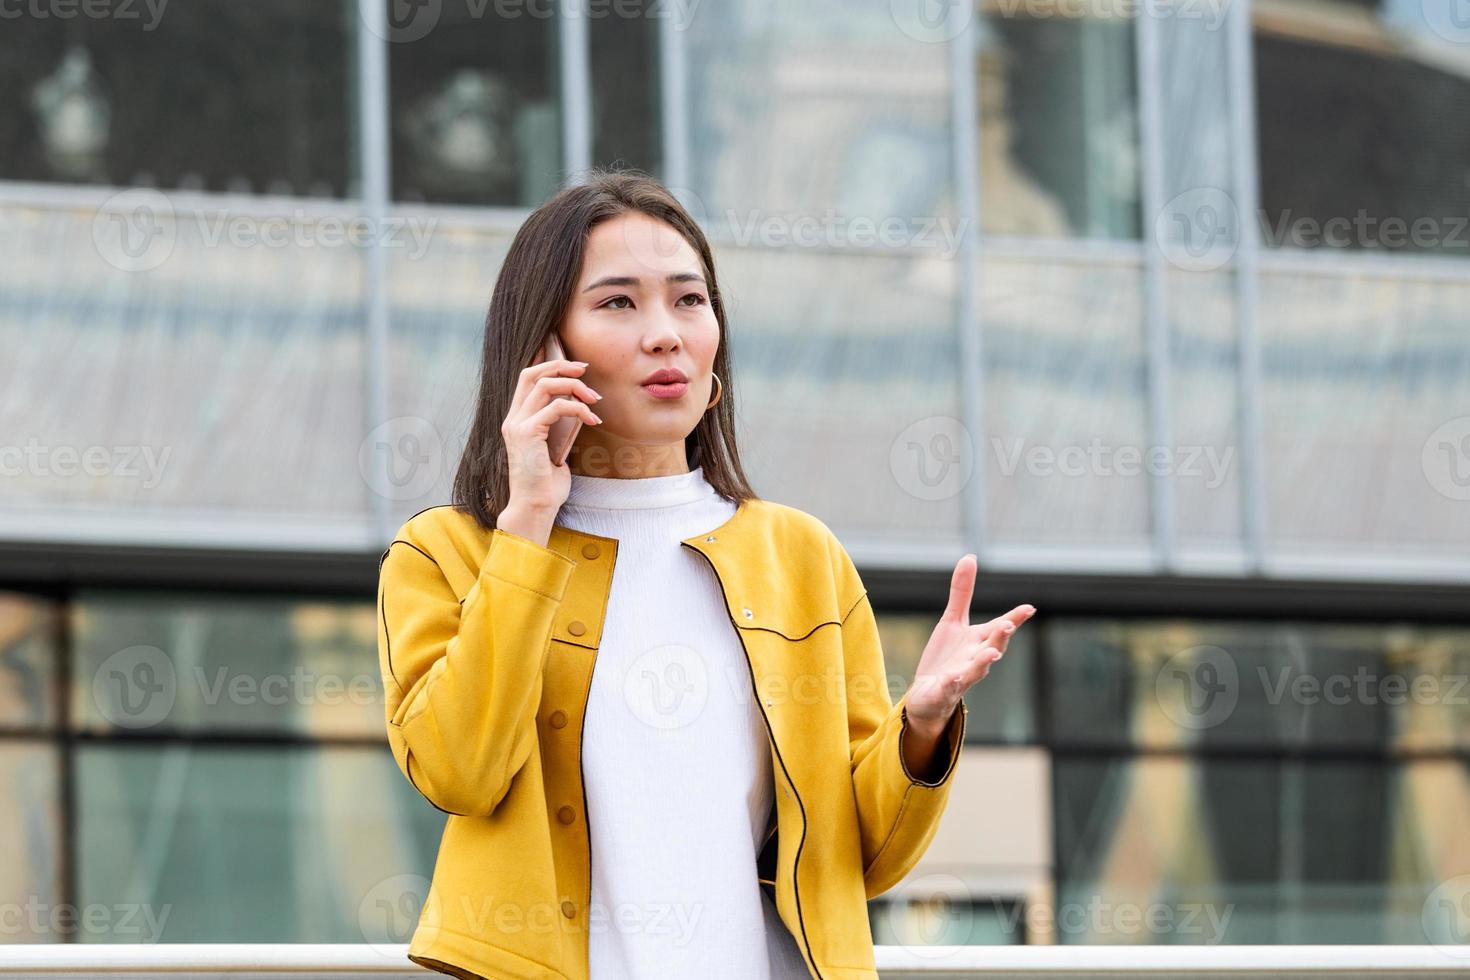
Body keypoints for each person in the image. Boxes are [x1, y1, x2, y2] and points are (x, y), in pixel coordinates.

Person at [376, 168, 1036, 980]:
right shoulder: (448, 553)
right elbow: (458, 771)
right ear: (544, 348)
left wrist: (923, 727)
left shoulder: (800, 555)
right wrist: (527, 525)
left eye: (690, 300)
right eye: (618, 302)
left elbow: (864, 859)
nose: (667, 334)